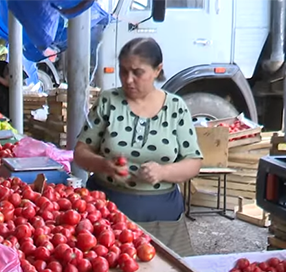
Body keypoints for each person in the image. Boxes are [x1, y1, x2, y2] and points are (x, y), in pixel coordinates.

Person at [74, 37, 202, 256]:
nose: (128, 79)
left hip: (162, 218)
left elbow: (193, 161)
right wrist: (104, 165)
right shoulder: (109, 102)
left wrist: (164, 171)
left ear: (157, 70)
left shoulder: (175, 108)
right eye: (123, 71)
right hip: (105, 213)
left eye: (137, 72)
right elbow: (80, 152)